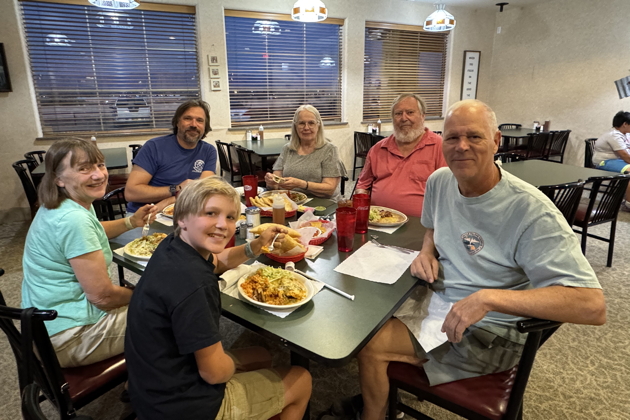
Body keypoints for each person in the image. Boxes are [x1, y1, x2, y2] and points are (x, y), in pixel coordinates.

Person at [346, 100, 607, 420]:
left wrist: (487, 299)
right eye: (453, 138)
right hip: (439, 299)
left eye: (475, 137)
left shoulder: (530, 209)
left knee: (370, 344)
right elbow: (431, 227)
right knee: (361, 311)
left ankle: (373, 415)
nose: (462, 146)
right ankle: (384, 393)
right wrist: (428, 250)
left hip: (488, 331)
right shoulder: (440, 181)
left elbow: (592, 305)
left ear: (497, 141)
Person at [125, 176, 312, 420]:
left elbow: (218, 261)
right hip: (180, 406)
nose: (223, 225)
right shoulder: (194, 285)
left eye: (231, 217)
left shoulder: (173, 245)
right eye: (211, 213)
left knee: (261, 355)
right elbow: (214, 374)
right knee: (302, 379)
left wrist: (256, 246)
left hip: (149, 381)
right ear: (181, 218)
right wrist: (230, 367)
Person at [21, 138, 154, 368]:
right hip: (67, 336)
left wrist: (131, 221)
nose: (99, 175)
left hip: (45, 322)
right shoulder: (73, 220)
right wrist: (144, 297)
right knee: (169, 312)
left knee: (149, 299)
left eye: (99, 165)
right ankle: (153, 388)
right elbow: (102, 297)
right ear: (58, 179)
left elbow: (92, 231)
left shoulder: (65, 203)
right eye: (84, 168)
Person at [355, 93, 447, 217]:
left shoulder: (440, 147)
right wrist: (362, 208)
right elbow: (363, 185)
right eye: (398, 113)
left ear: (422, 116)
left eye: (410, 112)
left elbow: (449, 193)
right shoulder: (378, 149)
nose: (404, 118)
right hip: (378, 223)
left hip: (421, 226)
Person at [125, 99, 217, 214]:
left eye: (199, 120)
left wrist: (167, 201)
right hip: (144, 215)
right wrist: (176, 188)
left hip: (186, 212)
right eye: (187, 118)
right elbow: (131, 193)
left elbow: (203, 190)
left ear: (205, 126)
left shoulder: (208, 151)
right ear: (177, 122)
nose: (194, 124)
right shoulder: (154, 147)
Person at [265, 105, 343, 200]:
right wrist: (271, 183)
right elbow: (276, 186)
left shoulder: (329, 150)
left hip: (322, 205)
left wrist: (302, 184)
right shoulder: (287, 149)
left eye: (311, 123)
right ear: (295, 126)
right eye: (301, 123)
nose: (306, 127)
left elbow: (329, 189)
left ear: (318, 125)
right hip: (291, 202)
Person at [592, 110, 630, 208]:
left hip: (618, 160)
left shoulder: (625, 133)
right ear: (625, 124)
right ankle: (628, 203)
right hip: (604, 162)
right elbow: (625, 155)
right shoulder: (614, 135)